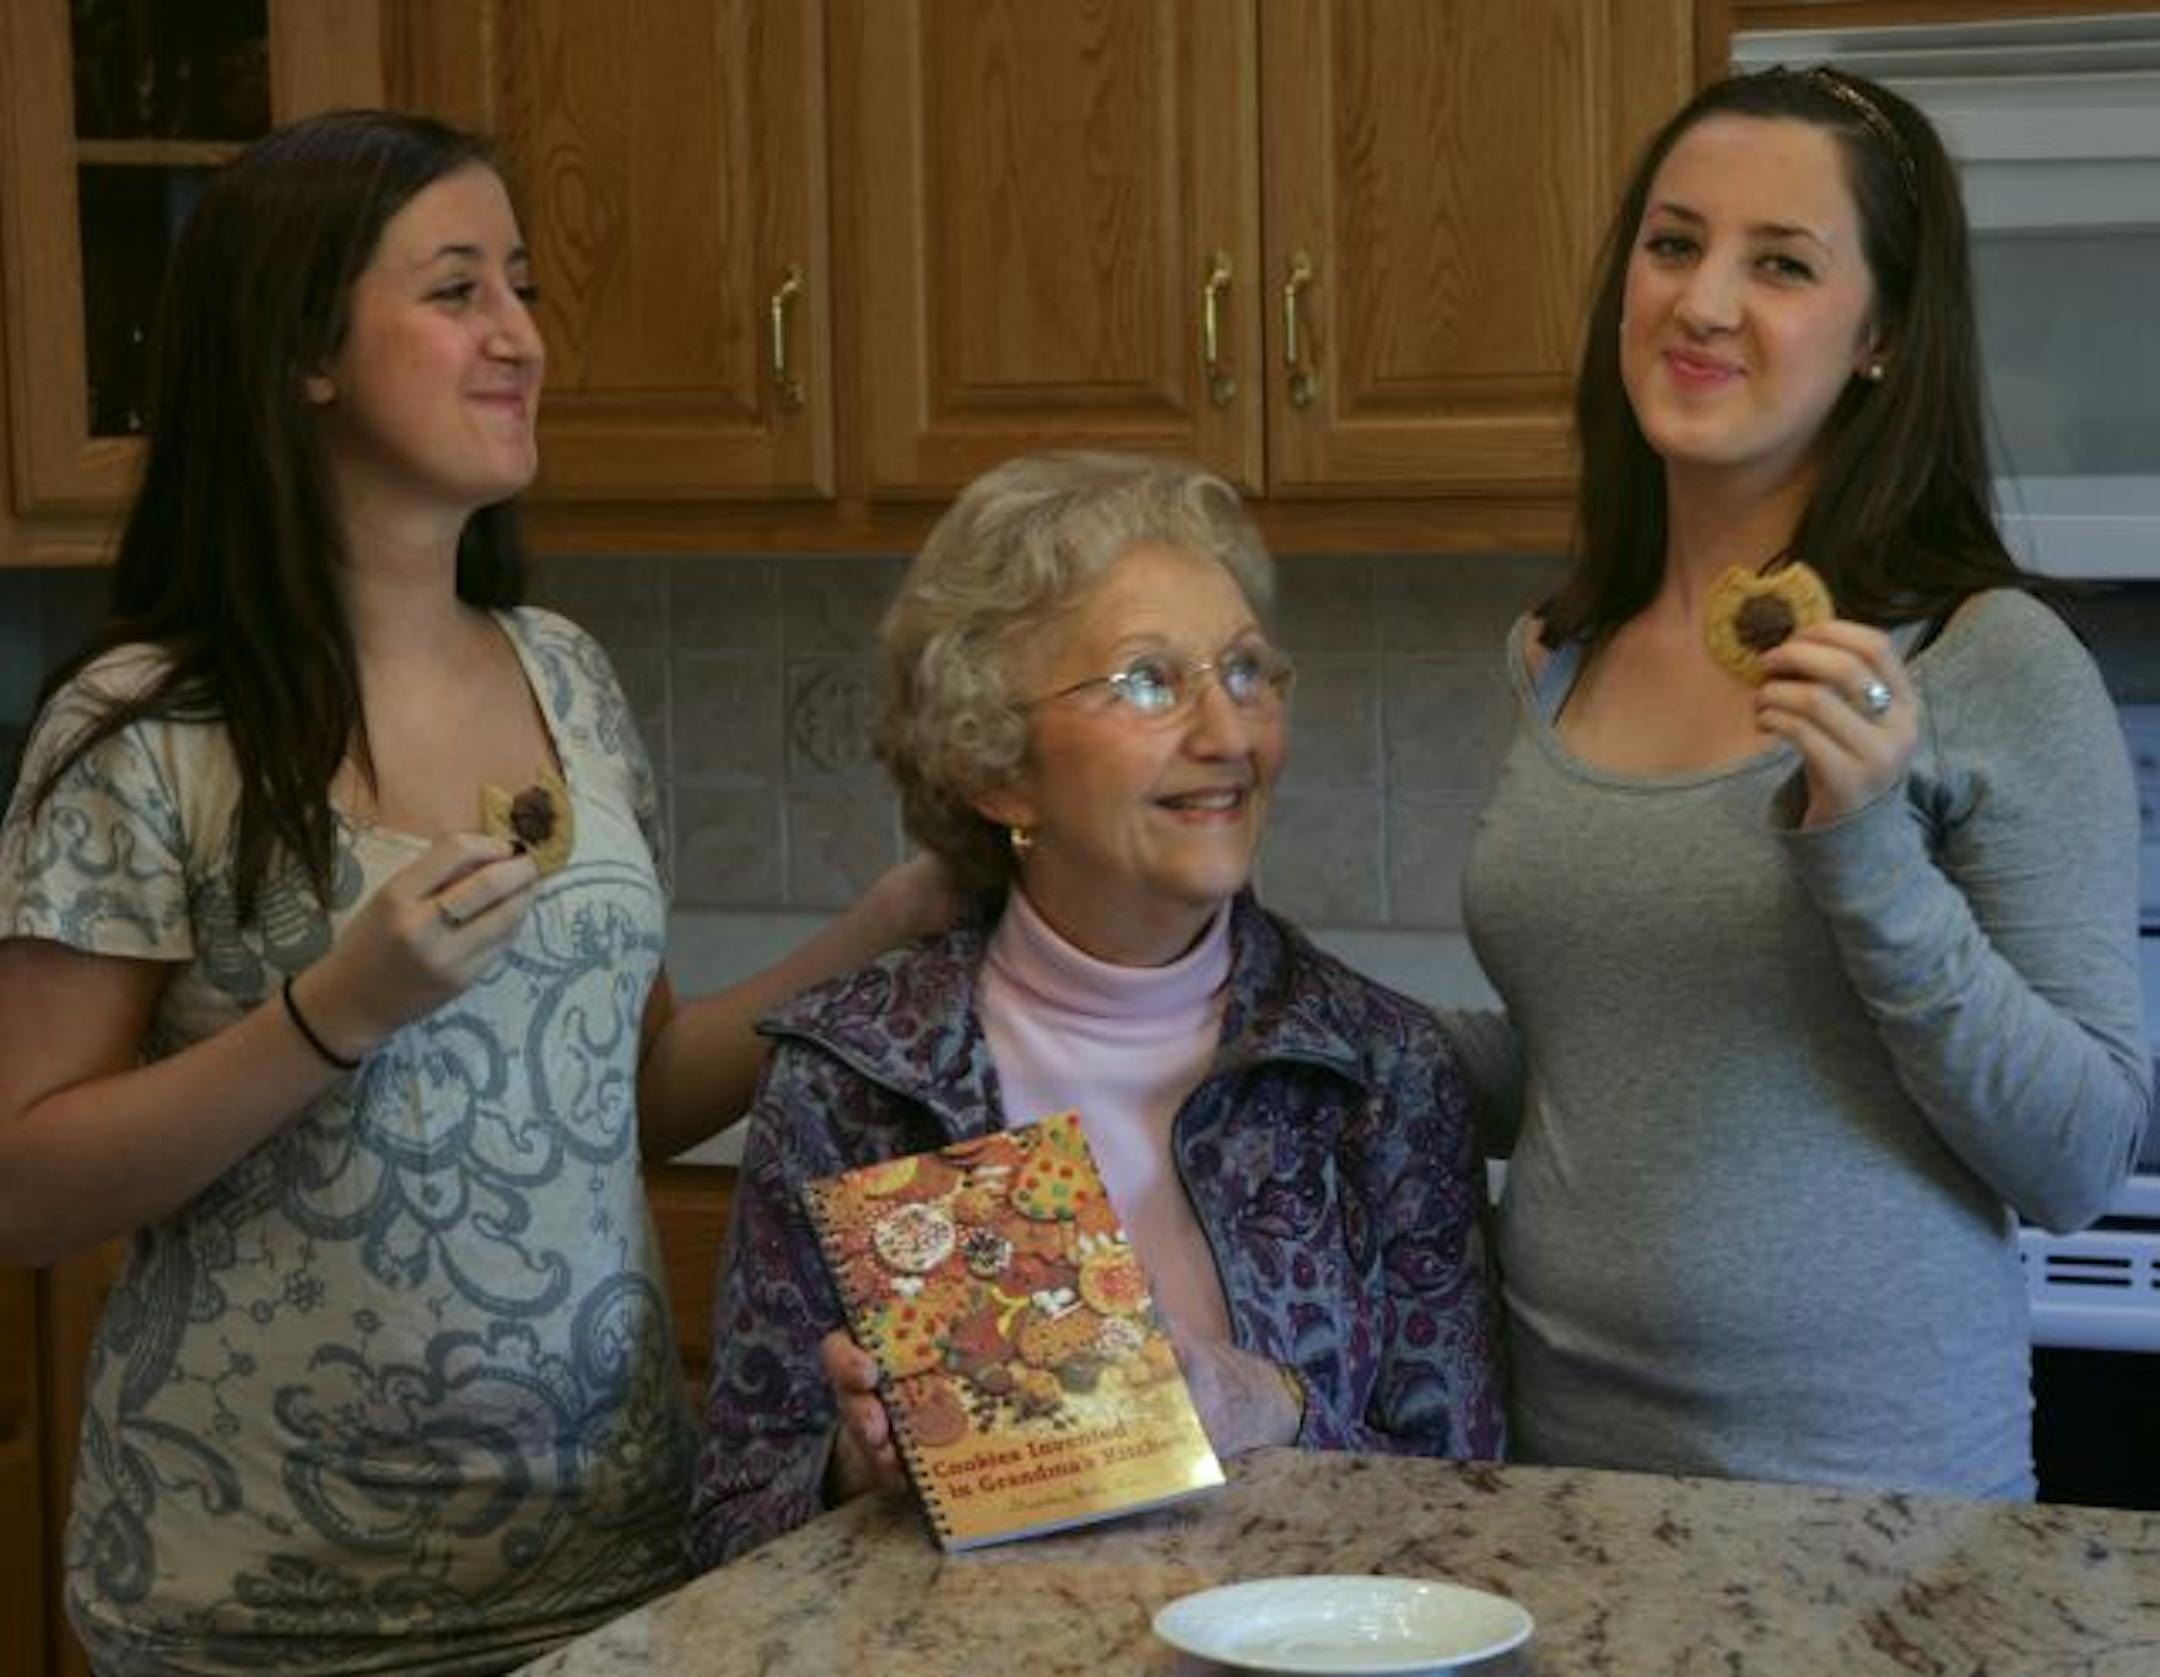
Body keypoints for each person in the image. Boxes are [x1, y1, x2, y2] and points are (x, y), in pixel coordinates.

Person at [0, 111, 947, 1675]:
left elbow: (628, 1092)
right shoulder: (147, 728)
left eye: (522, 287)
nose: (522, 338)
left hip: (609, 1570)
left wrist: (892, 920)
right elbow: (26, 1189)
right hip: (259, 1608)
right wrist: (331, 1015)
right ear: (302, 350)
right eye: (456, 291)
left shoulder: (563, 673)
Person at [1450, 66, 2153, 1500]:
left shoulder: (1983, 661)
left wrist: (1869, 845)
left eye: (1781, 264)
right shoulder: (1561, 650)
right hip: (1559, 1486)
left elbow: (2077, 1160)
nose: (1703, 303)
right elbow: (1596, 1063)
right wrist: (1251, 996)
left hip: (1872, 1514)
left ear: (1881, 332)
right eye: (1673, 244)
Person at [689, 450, 1504, 1566]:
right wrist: (855, 1471)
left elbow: (1476, 1509)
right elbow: (730, 1530)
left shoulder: (1376, 1069)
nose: (1229, 735)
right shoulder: (852, 1077)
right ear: (998, 769)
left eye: (1246, 670)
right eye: (1148, 681)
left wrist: (1272, 1407)